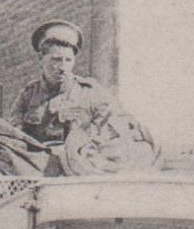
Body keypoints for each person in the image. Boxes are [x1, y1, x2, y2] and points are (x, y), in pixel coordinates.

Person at [9, 20, 120, 148]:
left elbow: (110, 132)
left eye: (68, 60)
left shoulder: (90, 92)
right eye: (56, 59)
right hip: (35, 162)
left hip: (75, 162)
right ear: (41, 59)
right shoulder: (27, 95)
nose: (63, 67)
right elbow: (14, 134)